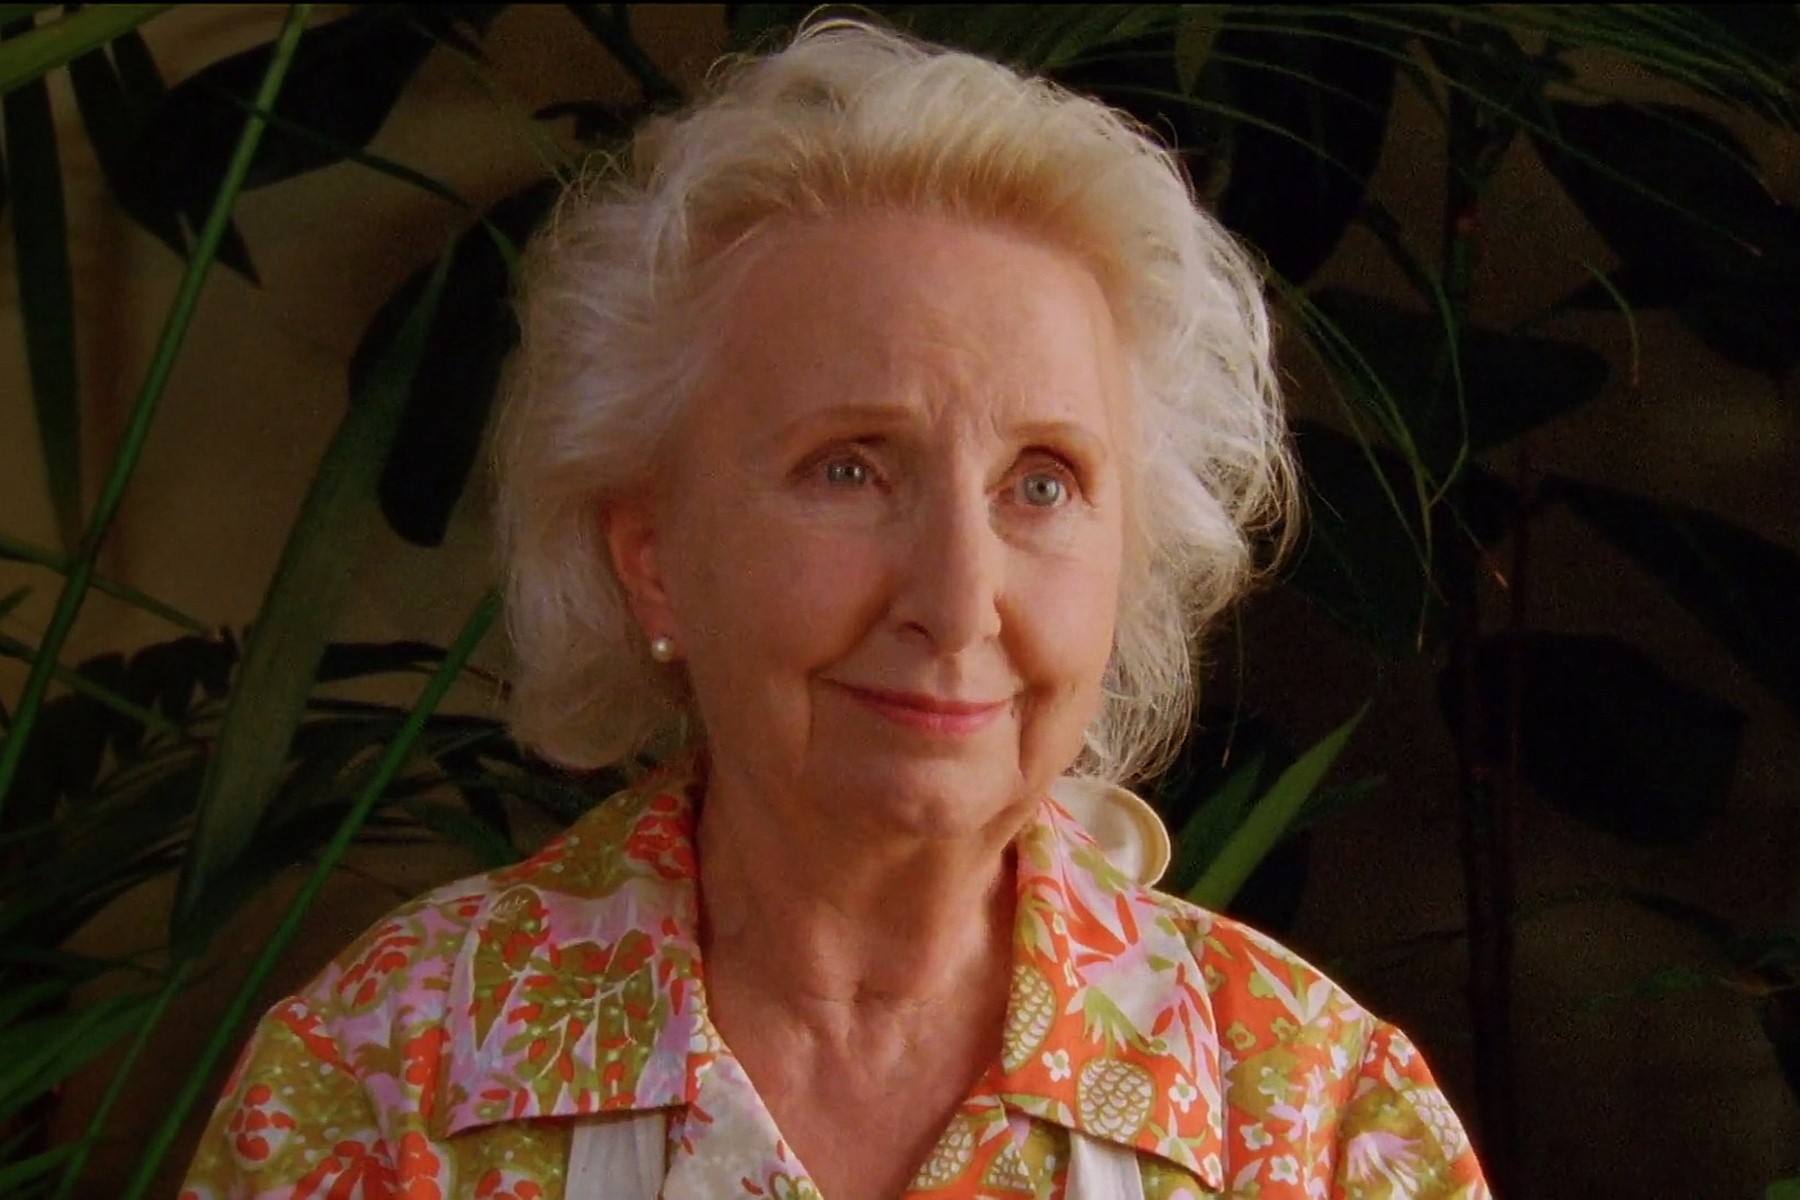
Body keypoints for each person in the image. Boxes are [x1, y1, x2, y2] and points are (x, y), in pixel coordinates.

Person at [180, 18, 1489, 1200]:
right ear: (652, 554)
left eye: (1042, 483)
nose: (958, 602)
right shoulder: (385, 1080)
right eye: (849, 470)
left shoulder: (1312, 1119)